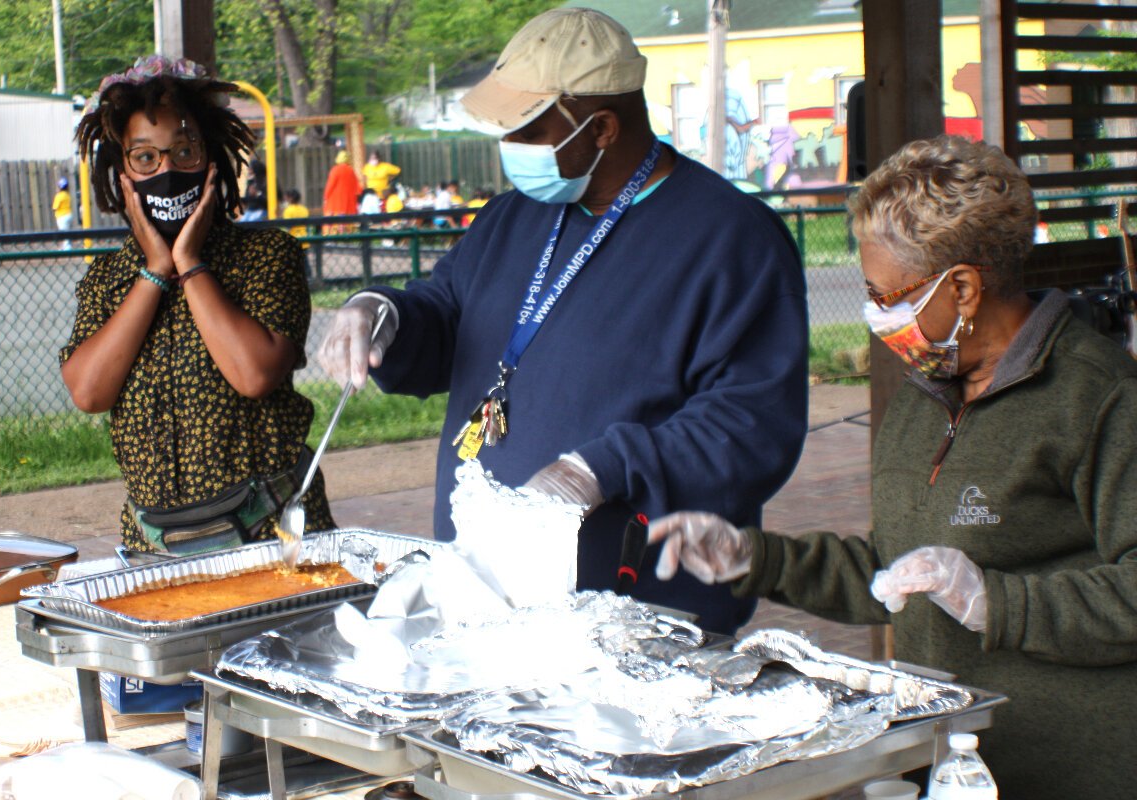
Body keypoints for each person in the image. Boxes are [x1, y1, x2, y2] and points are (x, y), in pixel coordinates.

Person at [648, 135, 1137, 800]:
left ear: (962, 287)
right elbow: (895, 573)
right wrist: (755, 559)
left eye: (889, 295)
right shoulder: (925, 393)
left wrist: (996, 603)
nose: (877, 315)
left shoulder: (1098, 396)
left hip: (1073, 769)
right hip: (949, 760)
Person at [317, 8, 807, 633]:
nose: (510, 148)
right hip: (488, 602)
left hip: (637, 616)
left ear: (601, 128)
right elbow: (449, 315)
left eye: (527, 131)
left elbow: (751, 424)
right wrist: (385, 314)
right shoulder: (512, 216)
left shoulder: (732, 238)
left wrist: (602, 468)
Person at [60, 55, 333, 555]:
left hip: (271, 536)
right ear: (122, 174)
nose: (166, 170)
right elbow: (89, 392)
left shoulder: (266, 255)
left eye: (184, 151)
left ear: (211, 160)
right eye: (145, 157)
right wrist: (154, 272)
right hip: (154, 549)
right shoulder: (108, 278)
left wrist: (188, 263)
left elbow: (254, 375)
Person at [322, 150, 360, 232]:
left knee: (332, 223)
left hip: (334, 202)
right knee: (346, 223)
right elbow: (356, 187)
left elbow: (330, 185)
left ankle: (331, 233)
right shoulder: (351, 170)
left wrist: (325, 197)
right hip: (347, 202)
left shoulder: (335, 170)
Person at [52, 177, 74, 250]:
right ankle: (66, 246)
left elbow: (55, 207)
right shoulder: (67, 195)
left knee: (64, 233)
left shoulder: (59, 196)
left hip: (62, 216)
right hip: (69, 215)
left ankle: (67, 248)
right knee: (67, 231)